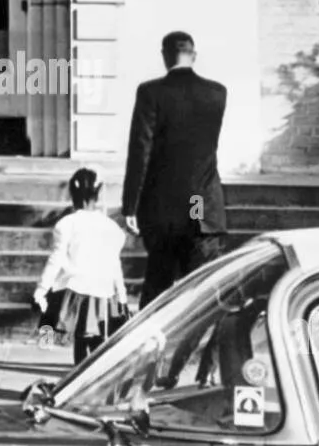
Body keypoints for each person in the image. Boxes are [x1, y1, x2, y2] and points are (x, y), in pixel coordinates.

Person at [121, 30, 228, 309]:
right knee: (202, 290)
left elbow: (140, 150)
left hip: (163, 209)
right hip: (200, 205)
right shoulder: (216, 93)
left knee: (157, 288)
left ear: (165, 56)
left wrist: (130, 205)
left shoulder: (150, 92)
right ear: (194, 55)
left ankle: (148, 348)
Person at [33, 168, 130, 364]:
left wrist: (41, 289)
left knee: (72, 331)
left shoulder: (66, 224)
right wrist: (122, 296)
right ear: (99, 193)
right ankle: (90, 373)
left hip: (75, 293)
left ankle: (47, 343)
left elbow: (56, 260)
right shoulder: (112, 227)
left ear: (72, 194)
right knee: (95, 338)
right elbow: (115, 265)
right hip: (102, 293)